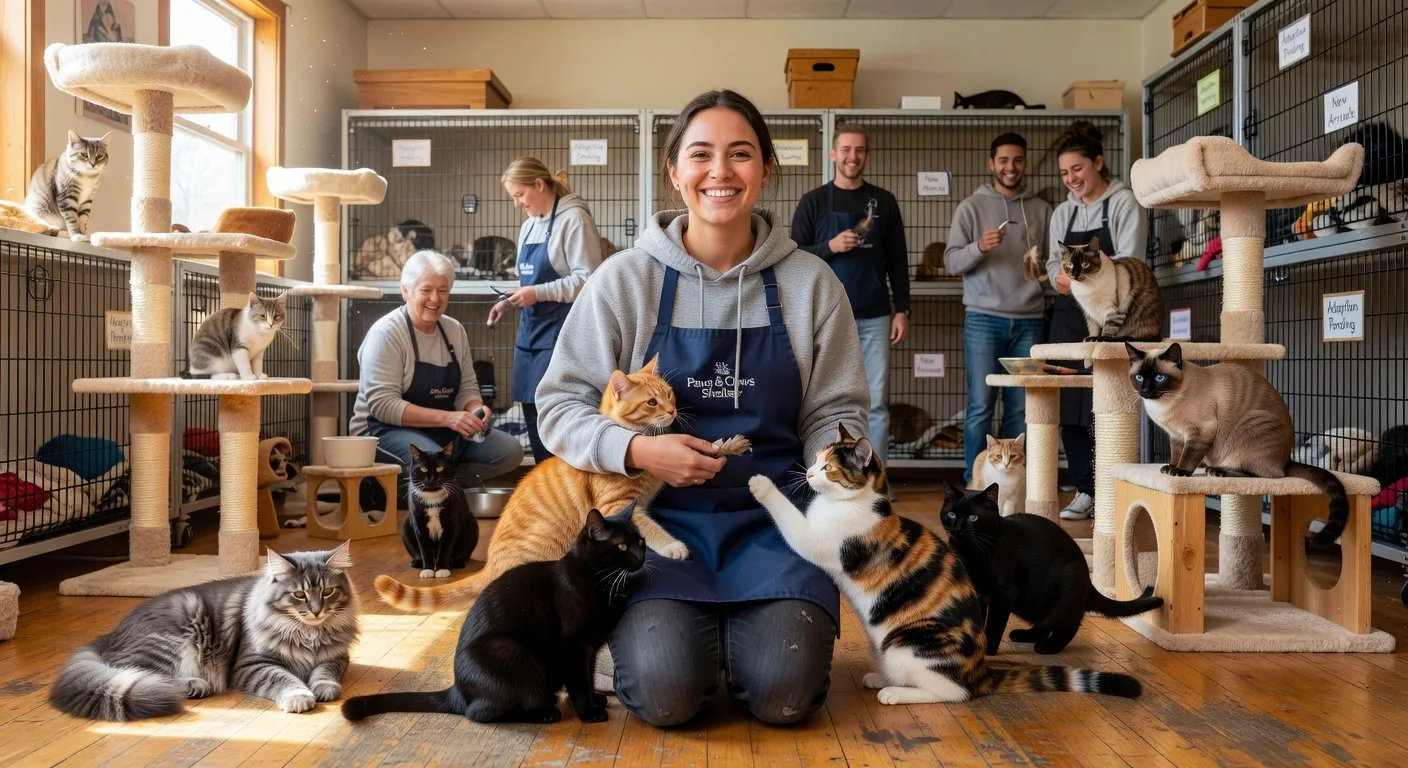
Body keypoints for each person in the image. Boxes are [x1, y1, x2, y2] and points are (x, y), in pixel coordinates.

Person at [534, 89, 869, 727]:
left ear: (766, 169)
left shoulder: (810, 285)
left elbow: (836, 411)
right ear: (674, 171)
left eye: (740, 154)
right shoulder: (625, 280)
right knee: (666, 696)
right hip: (650, 532)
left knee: (785, 693)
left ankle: (731, 644)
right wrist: (633, 447)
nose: (720, 171)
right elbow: (558, 404)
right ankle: (676, 645)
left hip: (776, 527)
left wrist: (842, 474)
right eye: (701, 155)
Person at [351, 249, 525, 507]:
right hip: (383, 430)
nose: (435, 298)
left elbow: (467, 387)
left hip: (442, 431)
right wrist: (448, 418)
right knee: (430, 458)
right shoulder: (386, 333)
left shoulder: (454, 330)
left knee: (509, 451)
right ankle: (395, 495)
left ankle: (440, 492)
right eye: (426, 290)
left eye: (443, 290)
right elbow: (382, 406)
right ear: (406, 291)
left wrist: (476, 410)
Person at [1045, 121, 1148, 520]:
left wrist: (1084, 281)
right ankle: (1086, 491)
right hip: (1071, 319)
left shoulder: (1123, 202)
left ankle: (1114, 491)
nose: (1071, 179)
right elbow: (1057, 267)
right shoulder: (1061, 213)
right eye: (1065, 173)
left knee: (1108, 407)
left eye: (1078, 170)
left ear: (1099, 163)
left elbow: (1130, 260)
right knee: (1070, 405)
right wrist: (1057, 276)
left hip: (1115, 315)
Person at [789, 124, 910, 459]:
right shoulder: (813, 202)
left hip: (875, 315)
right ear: (833, 154)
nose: (852, 157)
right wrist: (830, 245)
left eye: (858, 150)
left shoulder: (884, 201)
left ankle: (876, 479)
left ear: (866, 156)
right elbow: (794, 258)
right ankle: (828, 474)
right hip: (825, 316)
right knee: (819, 400)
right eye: (845, 150)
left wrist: (903, 309)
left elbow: (898, 260)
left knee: (877, 400)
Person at [945, 133, 1053, 483]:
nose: (1011, 167)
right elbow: (951, 262)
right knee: (980, 406)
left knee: (1022, 408)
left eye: (1018, 160)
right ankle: (975, 481)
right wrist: (978, 246)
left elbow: (1054, 265)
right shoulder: (971, 207)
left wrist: (1044, 272)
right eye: (1003, 161)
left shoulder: (1041, 209)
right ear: (992, 164)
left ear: (1024, 162)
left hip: (1030, 320)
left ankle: (1017, 482)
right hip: (983, 319)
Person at [488, 158, 605, 464]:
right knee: (532, 415)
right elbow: (529, 281)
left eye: (519, 195)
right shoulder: (529, 226)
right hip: (530, 335)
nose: (517, 203)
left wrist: (537, 293)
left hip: (561, 335)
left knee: (556, 420)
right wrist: (506, 300)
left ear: (539, 185)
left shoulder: (574, 219)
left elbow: (588, 280)